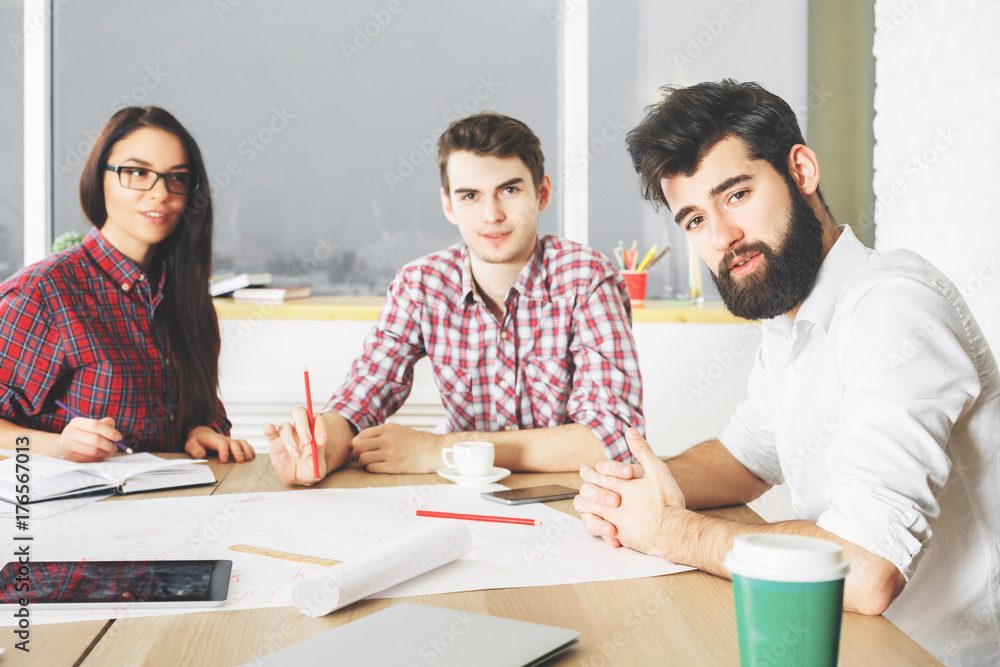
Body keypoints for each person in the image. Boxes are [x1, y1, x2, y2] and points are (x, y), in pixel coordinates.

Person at [574, 80, 999, 664]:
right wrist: (630, 490)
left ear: (801, 170)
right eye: (694, 219)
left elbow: (867, 569)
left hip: (932, 652)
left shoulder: (895, 309)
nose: (722, 238)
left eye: (736, 194)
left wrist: (669, 530)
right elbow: (744, 459)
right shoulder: (790, 317)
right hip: (839, 635)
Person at [268, 112, 643, 482]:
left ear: (541, 193)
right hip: (461, 499)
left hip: (572, 499)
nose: (491, 215)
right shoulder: (419, 285)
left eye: (509, 190)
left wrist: (442, 450)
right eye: (470, 196)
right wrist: (319, 450)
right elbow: (361, 398)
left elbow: (613, 439)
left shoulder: (587, 278)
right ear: (448, 205)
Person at [0, 107, 254, 464]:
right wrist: (54, 447)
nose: (160, 193)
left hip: (183, 495)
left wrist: (201, 430)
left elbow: (202, 409)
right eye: (137, 172)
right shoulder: (43, 293)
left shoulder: (186, 292)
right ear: (99, 177)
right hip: (69, 499)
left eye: (177, 178)